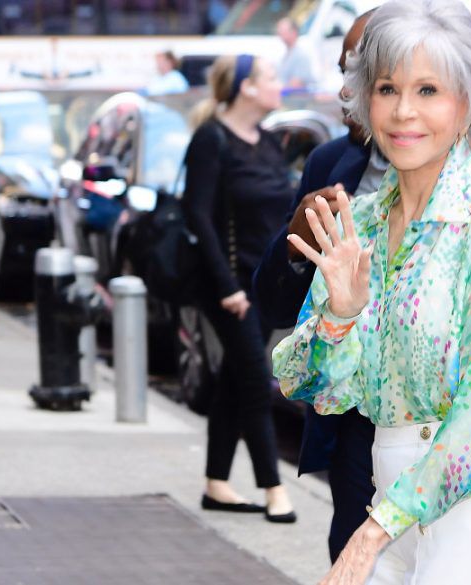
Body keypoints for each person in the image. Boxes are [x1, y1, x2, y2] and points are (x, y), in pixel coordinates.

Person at [254, 8, 471, 585]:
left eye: (428, 90)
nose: (404, 111)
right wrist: (339, 319)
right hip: (385, 489)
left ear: (465, 106)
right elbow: (305, 383)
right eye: (387, 89)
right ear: (363, 102)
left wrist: (370, 534)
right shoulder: (366, 223)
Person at [182, 54, 296, 523]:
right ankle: (273, 489)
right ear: (247, 87)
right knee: (253, 381)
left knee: (234, 379)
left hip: (262, 283)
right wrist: (229, 287)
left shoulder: (269, 142)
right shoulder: (211, 140)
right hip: (225, 287)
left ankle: (216, 484)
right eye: (271, 77)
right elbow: (198, 216)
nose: (278, 85)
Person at [275, 17, 318, 90]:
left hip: (295, 99)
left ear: (294, 32)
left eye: (282, 30)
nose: (279, 33)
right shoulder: (286, 54)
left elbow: (296, 83)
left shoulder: (301, 55)